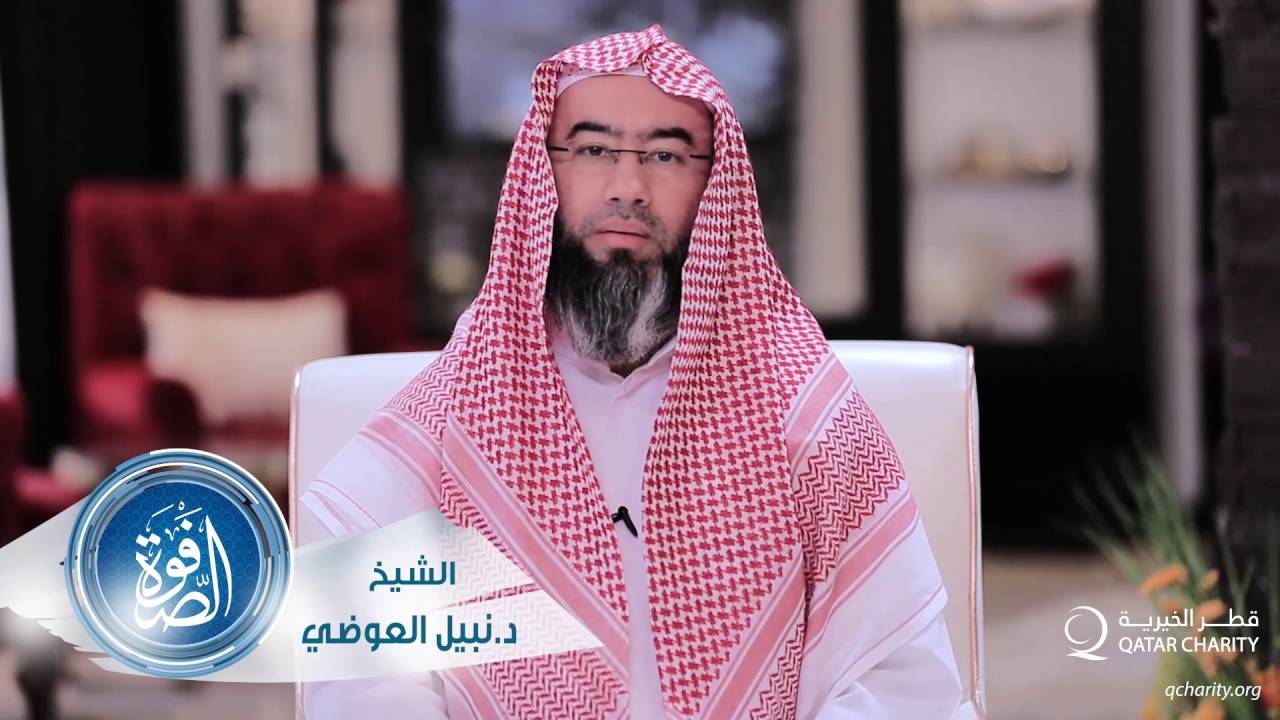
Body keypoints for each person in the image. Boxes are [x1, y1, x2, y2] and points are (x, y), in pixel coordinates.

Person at [299, 25, 970, 719]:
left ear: (712, 185)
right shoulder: (456, 411)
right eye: (593, 149)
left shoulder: (800, 408)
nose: (629, 187)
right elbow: (364, 673)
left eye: (666, 155)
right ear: (544, 173)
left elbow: (899, 681)